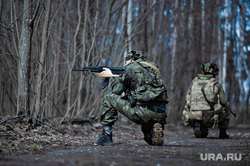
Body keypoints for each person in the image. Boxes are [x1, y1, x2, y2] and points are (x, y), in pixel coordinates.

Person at [94, 50, 169, 146]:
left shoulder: (130, 68)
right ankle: (153, 132)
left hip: (142, 112)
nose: (125, 63)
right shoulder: (154, 67)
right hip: (160, 112)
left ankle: (106, 135)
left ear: (131, 59)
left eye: (126, 60)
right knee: (148, 139)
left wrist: (110, 77)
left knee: (109, 98)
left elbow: (116, 91)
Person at [182, 62, 231, 139]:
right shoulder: (216, 83)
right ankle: (222, 132)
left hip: (193, 112)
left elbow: (188, 95)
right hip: (209, 114)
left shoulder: (195, 82)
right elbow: (223, 101)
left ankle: (197, 125)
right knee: (226, 106)